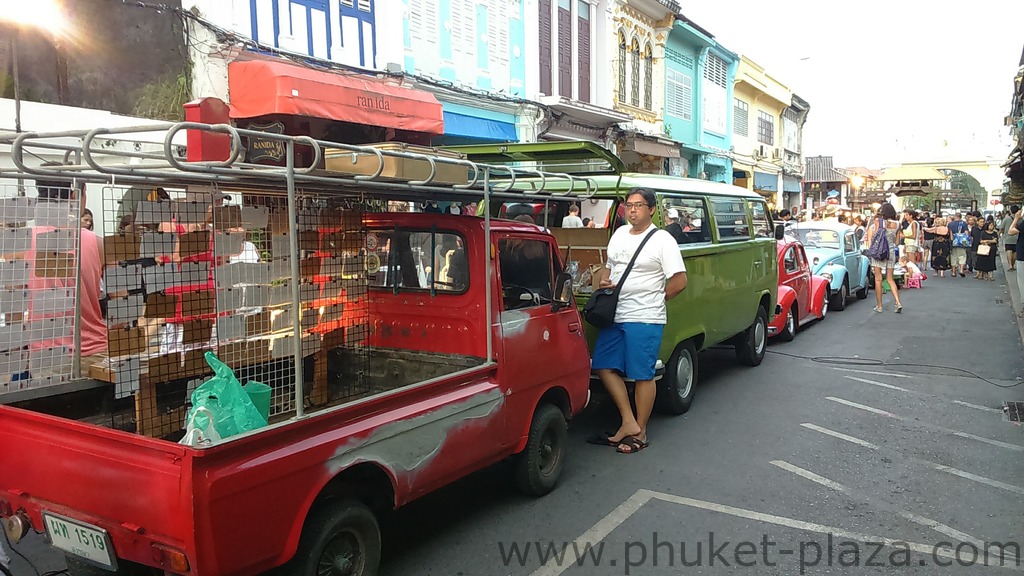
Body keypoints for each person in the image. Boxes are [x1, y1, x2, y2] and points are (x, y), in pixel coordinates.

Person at [590, 188, 687, 454]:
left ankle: (640, 433)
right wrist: (604, 280)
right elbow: (609, 267)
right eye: (629, 205)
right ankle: (629, 422)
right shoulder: (619, 234)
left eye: (639, 205)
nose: (632, 210)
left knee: (641, 374)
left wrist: (656, 299)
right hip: (616, 313)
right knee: (603, 365)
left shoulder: (662, 240)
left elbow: (679, 281)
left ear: (652, 210)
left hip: (645, 317)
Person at [865, 202, 903, 313]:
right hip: (890, 253)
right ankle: (898, 302)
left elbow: (874, 238)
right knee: (890, 279)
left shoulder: (878, 222)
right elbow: (896, 242)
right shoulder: (898, 224)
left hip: (879, 253)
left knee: (878, 279)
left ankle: (879, 306)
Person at [948, 213, 969, 277]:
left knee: (953, 256)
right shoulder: (964, 223)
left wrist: (951, 241)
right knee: (962, 256)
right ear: (960, 217)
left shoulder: (950, 224)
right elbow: (966, 233)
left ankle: (953, 272)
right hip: (961, 243)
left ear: (955, 216)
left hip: (953, 242)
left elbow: (950, 234)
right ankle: (961, 270)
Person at [1000, 205, 1019, 271]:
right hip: (1017, 239)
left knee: (1009, 251)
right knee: (1015, 252)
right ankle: (1013, 265)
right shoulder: (1021, 219)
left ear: (1010, 210)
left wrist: (1001, 235)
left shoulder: (1006, 219)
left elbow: (1001, 228)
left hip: (1008, 238)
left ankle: (1010, 265)